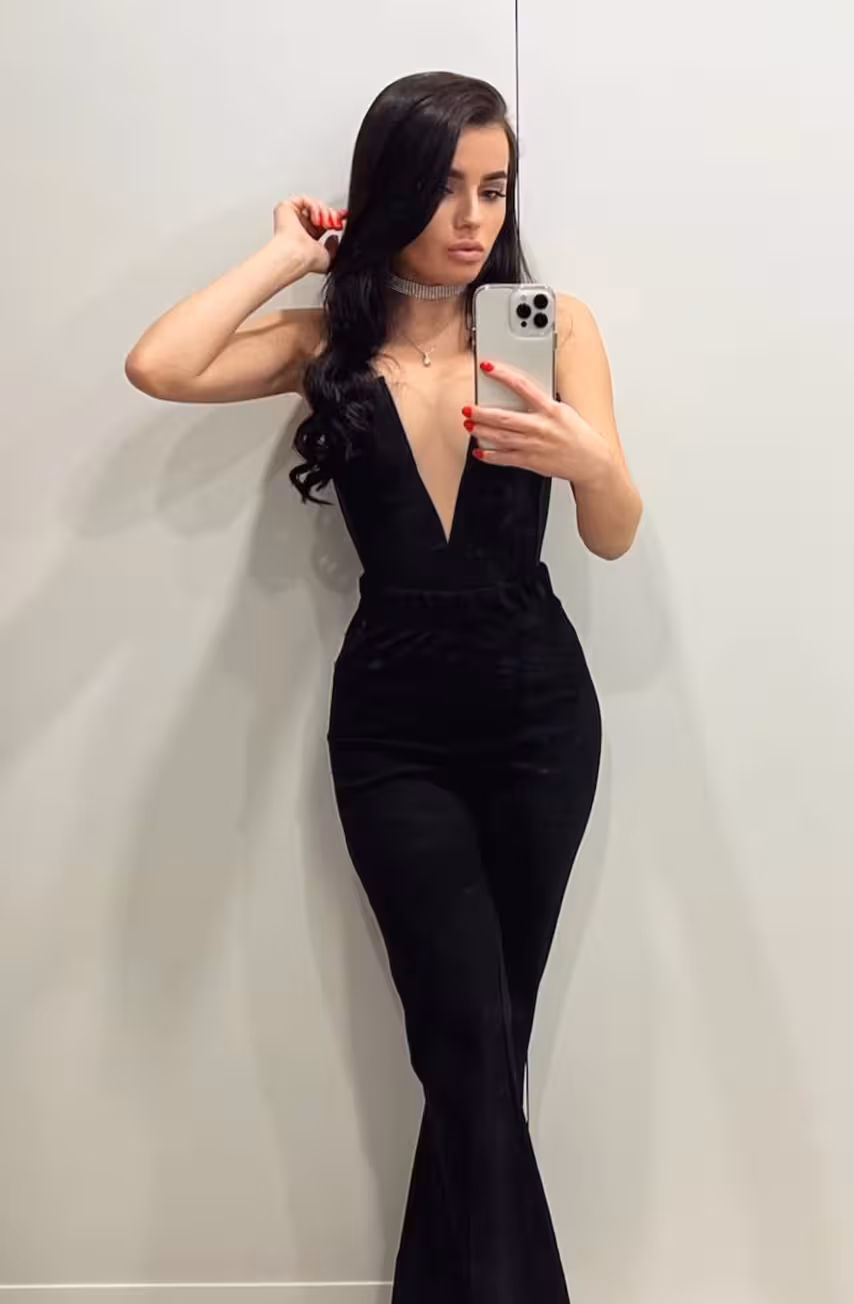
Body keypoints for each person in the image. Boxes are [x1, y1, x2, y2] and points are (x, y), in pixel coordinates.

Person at [126, 70, 642, 1304]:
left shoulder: (552, 326)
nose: (472, 217)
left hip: (539, 715)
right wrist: (287, 255)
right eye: (445, 187)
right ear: (390, 190)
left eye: (494, 189)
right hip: (393, 730)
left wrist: (588, 460)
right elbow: (162, 364)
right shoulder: (327, 344)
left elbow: (614, 531)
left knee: (483, 1044)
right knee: (463, 1032)